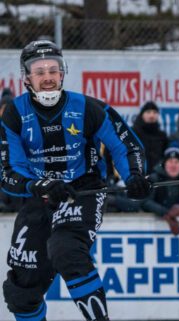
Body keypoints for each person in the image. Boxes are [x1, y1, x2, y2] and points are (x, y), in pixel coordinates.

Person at [1, 40, 150, 321]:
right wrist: (39, 185)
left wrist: (135, 176)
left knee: (66, 250)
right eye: (39, 70)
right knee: (22, 289)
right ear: (26, 78)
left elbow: (125, 145)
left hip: (83, 189)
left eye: (53, 70)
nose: (47, 77)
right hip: (40, 194)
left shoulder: (88, 107)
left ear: (62, 73)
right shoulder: (14, 114)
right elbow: (9, 169)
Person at [142, 142, 179, 235]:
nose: (173, 165)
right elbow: (146, 202)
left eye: (176, 162)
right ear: (164, 163)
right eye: (170, 161)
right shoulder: (154, 179)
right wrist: (166, 213)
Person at [133, 101, 168, 169]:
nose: (152, 115)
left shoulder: (162, 136)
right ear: (142, 114)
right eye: (148, 112)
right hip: (138, 174)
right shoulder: (134, 133)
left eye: (155, 112)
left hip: (158, 176)